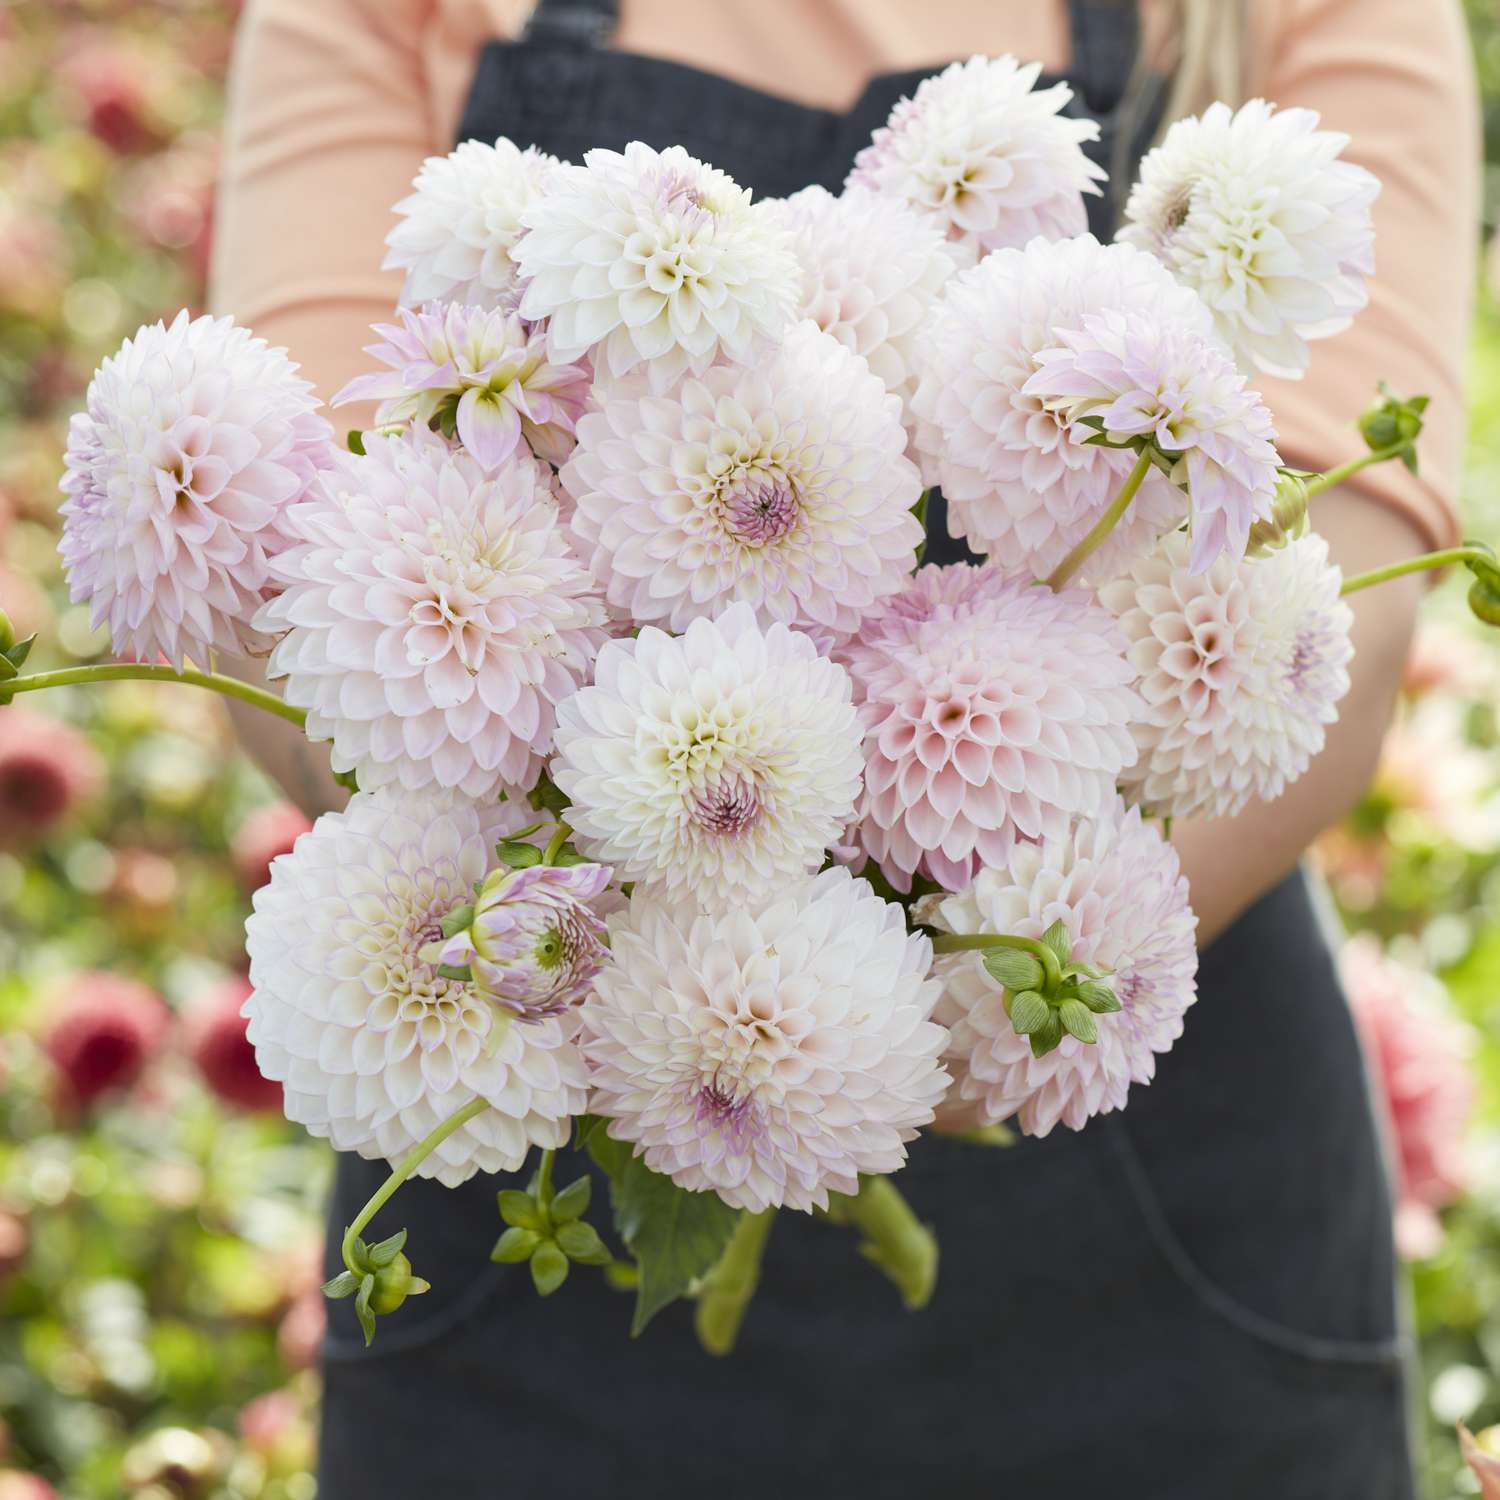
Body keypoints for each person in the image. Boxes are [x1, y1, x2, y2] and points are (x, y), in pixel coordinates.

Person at [211, 1, 1479, 1494]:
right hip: (525, 1159)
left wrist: (946, 1009)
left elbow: (1326, 621)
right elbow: (291, 576)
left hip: (1152, 1205)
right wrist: (608, 959)